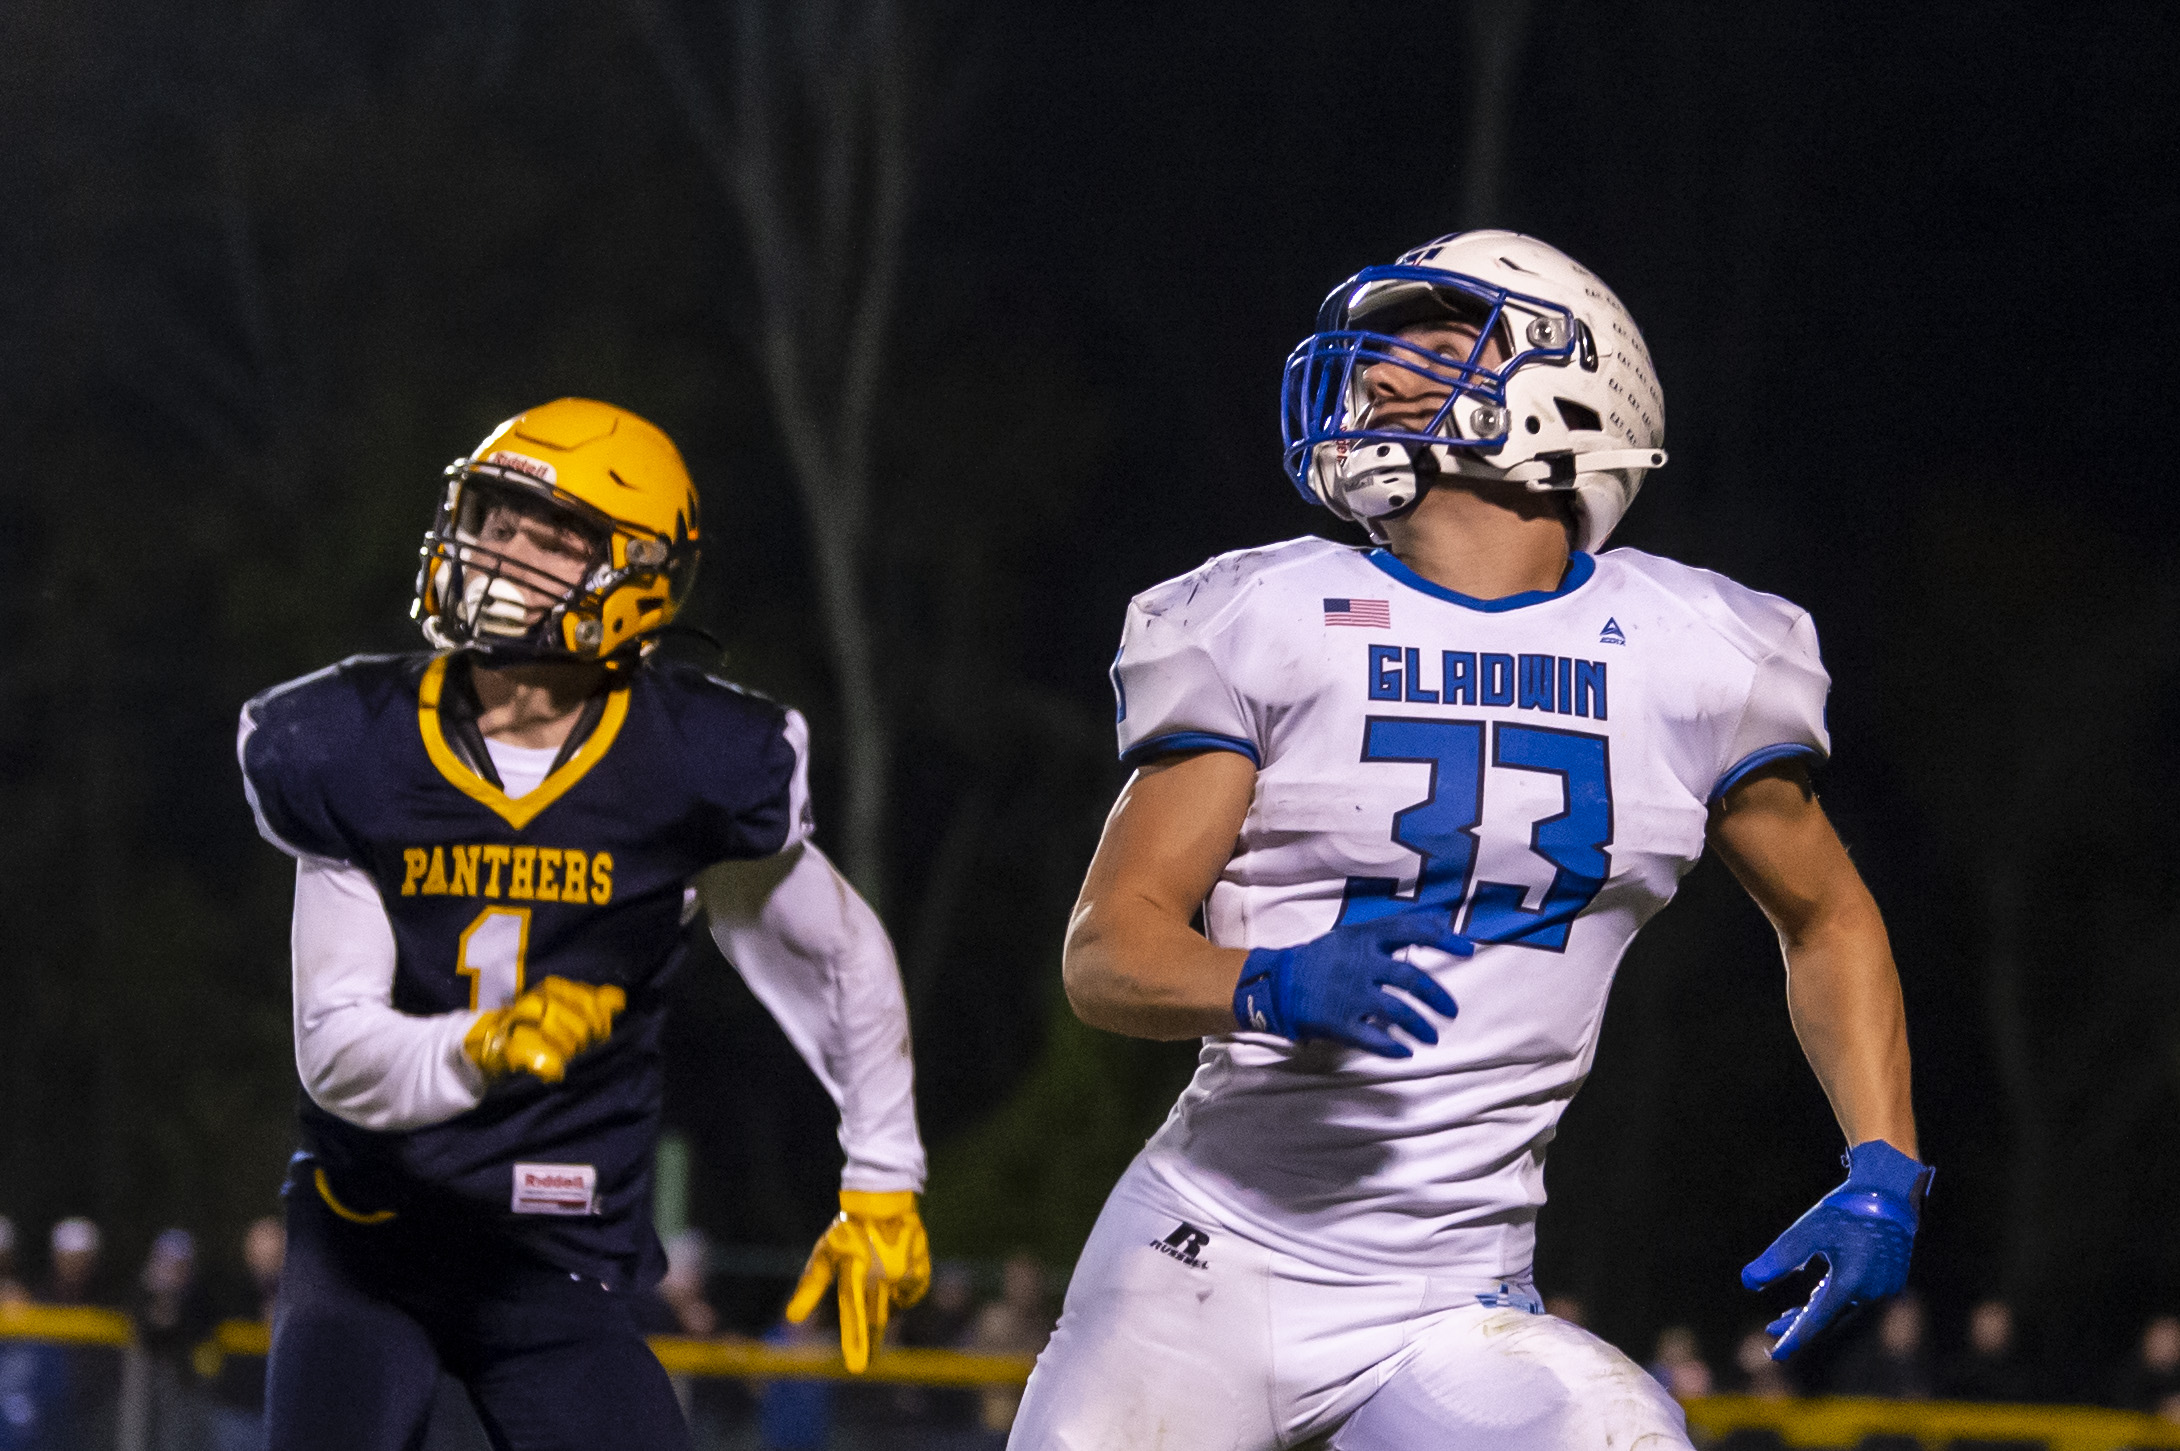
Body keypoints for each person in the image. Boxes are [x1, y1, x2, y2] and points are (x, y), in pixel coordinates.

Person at [1016, 231, 1930, 1449]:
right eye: (1379, 348)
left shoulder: (1695, 651)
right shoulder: (1266, 612)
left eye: (1437, 341)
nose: (1380, 370)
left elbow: (1825, 914)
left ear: (1576, 387)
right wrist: (1261, 981)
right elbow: (1105, 950)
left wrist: (1881, 1165)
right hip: (1201, 1266)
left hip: (1448, 1299)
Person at [236, 399, 930, 1451]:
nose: (501, 550)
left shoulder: (688, 763)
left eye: (551, 535)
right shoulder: (354, 744)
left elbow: (835, 954)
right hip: (370, 1233)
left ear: (641, 577)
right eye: (494, 518)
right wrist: (477, 1046)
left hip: (559, 1254)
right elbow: (334, 1047)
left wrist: (881, 1175)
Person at [1830, 1293, 1932, 1400]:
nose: (1902, 1326)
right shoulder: (1857, 1366)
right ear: (1883, 1321)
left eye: (1910, 1320)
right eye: (1895, 1319)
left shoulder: (1928, 1368)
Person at [1941, 1298, 2034, 1403]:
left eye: (1996, 1320)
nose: (1991, 1328)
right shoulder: (1955, 1375)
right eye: (1986, 1320)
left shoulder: (2023, 1379)